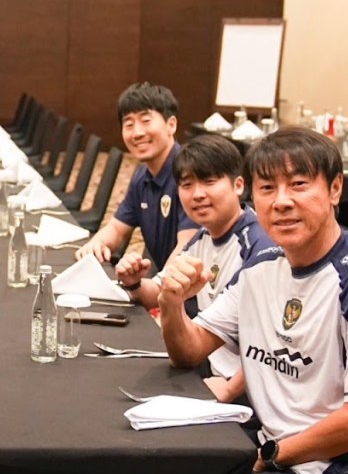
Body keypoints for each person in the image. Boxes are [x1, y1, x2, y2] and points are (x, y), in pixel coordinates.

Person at [158, 127, 348, 473]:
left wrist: (271, 455)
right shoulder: (262, 267)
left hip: (344, 466)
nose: (281, 201)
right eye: (267, 188)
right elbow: (189, 352)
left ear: (335, 189)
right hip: (276, 449)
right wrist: (171, 303)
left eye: (298, 185)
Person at [115, 134, 276, 402]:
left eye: (209, 182)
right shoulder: (202, 237)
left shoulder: (259, 247)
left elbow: (274, 343)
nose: (198, 194)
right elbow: (159, 291)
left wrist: (232, 389)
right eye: (187, 185)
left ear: (238, 185)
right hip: (206, 365)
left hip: (246, 391)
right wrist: (133, 282)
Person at [75, 82, 199, 267]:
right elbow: (117, 229)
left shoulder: (190, 175)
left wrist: (157, 288)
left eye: (146, 121)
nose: (137, 133)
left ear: (171, 125)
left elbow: (187, 246)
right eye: (129, 124)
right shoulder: (142, 177)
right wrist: (96, 244)